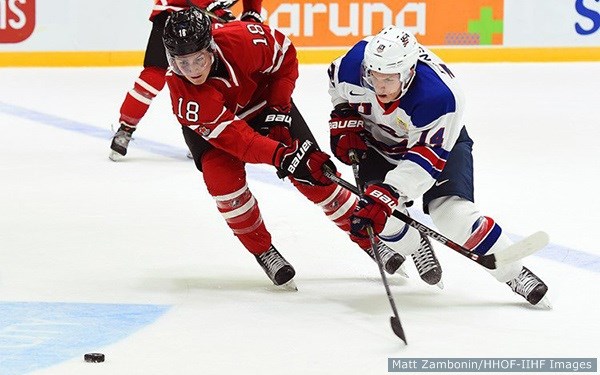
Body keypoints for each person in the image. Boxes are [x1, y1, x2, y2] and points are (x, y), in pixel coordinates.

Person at [159, 8, 425, 288]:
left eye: (198, 59)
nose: (192, 71)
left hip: (264, 105)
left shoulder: (244, 40)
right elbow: (240, 141)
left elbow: (285, 55)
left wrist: (279, 108)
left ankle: (368, 241)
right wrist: (281, 155)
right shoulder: (186, 98)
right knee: (225, 187)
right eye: (182, 64)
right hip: (219, 133)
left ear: (210, 47)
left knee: (316, 177)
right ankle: (263, 250)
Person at [327, 25, 549, 306]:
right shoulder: (352, 66)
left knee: (453, 216)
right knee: (382, 218)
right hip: (378, 143)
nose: (378, 86)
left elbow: (424, 161)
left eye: (389, 79)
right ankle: (416, 242)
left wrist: (392, 191)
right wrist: (344, 113)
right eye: (374, 76)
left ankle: (514, 273)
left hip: (437, 146)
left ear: (408, 73)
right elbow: (337, 87)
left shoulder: (440, 97)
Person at [109, 0, 264, 161]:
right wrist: (213, 9)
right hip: (172, 13)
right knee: (154, 76)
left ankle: (201, 136)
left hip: (203, 18)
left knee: (204, 78)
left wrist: (251, 16)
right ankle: (125, 128)